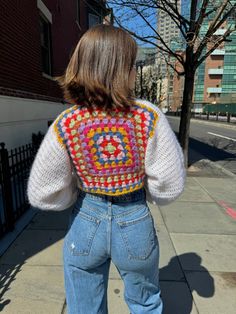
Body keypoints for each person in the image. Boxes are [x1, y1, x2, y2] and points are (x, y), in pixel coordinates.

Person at [27, 24, 185, 314]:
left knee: (84, 308)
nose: (135, 71)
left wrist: (78, 193)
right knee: (146, 305)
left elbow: (41, 193)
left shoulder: (68, 122)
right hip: (135, 221)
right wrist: (142, 191)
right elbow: (169, 185)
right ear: (121, 68)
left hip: (86, 222)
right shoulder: (148, 116)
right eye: (132, 64)